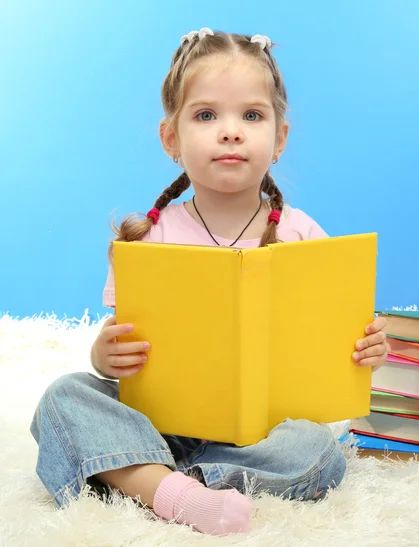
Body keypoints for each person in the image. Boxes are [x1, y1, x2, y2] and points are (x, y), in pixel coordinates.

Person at [30, 28, 390, 536]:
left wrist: (368, 344)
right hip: (158, 425)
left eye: (252, 115)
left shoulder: (302, 232)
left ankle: (161, 484)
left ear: (279, 138)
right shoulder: (150, 235)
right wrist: (101, 355)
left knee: (318, 452)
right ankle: (176, 485)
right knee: (65, 396)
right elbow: (121, 339)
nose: (230, 131)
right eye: (205, 115)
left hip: (259, 436)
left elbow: (339, 333)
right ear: (171, 139)